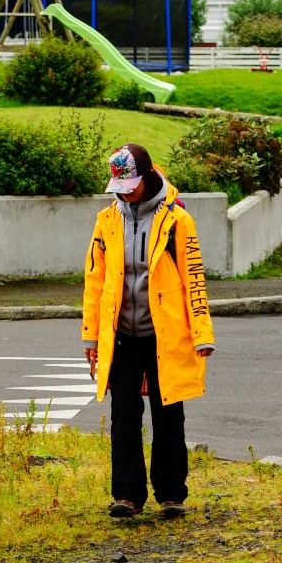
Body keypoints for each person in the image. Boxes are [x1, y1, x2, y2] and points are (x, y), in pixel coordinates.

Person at [81, 142, 214, 519]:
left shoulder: (177, 221)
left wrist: (202, 334)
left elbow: (195, 279)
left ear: (146, 177)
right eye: (119, 186)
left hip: (165, 334)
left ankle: (171, 494)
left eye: (131, 184)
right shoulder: (106, 221)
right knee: (123, 412)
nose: (125, 192)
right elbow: (95, 279)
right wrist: (91, 336)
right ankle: (127, 495)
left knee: (168, 412)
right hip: (121, 334)